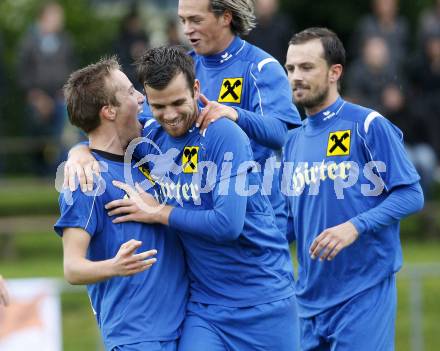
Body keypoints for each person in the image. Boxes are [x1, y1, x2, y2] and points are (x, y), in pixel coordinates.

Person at [105, 46, 299, 351]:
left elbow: (227, 225)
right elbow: (101, 139)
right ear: (146, 97)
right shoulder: (150, 137)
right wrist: (79, 155)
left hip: (265, 303)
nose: (169, 115)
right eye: (158, 106)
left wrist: (158, 212)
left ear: (196, 89)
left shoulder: (224, 134)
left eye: (178, 102)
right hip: (206, 309)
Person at [283, 27, 424, 350]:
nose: (296, 76)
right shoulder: (292, 141)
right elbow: (291, 223)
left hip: (363, 293)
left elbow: (411, 194)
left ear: (335, 72)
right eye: (290, 68)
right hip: (308, 301)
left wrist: (354, 227)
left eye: (306, 67)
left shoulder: (367, 125)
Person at [54, 57, 188, 351]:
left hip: (187, 327)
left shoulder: (145, 158)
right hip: (137, 338)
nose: (141, 97)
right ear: (109, 111)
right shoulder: (85, 181)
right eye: (129, 91)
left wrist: (79, 149)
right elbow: (72, 268)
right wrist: (115, 266)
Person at [175, 0, 301, 238]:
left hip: (257, 221)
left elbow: (280, 133)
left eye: (196, 20)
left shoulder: (261, 67)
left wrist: (235, 113)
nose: (186, 29)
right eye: (183, 20)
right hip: (198, 217)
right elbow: (144, 125)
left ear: (225, 17)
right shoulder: (181, 70)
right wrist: (85, 150)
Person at [17, 1, 76, 175]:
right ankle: (41, 173)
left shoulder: (65, 41)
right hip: (37, 99)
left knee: (66, 132)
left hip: (61, 97)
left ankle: (62, 171)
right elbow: (23, 72)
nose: (60, 20)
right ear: (44, 17)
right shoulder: (28, 42)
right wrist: (36, 96)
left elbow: (72, 68)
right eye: (57, 16)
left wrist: (66, 90)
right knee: (38, 137)